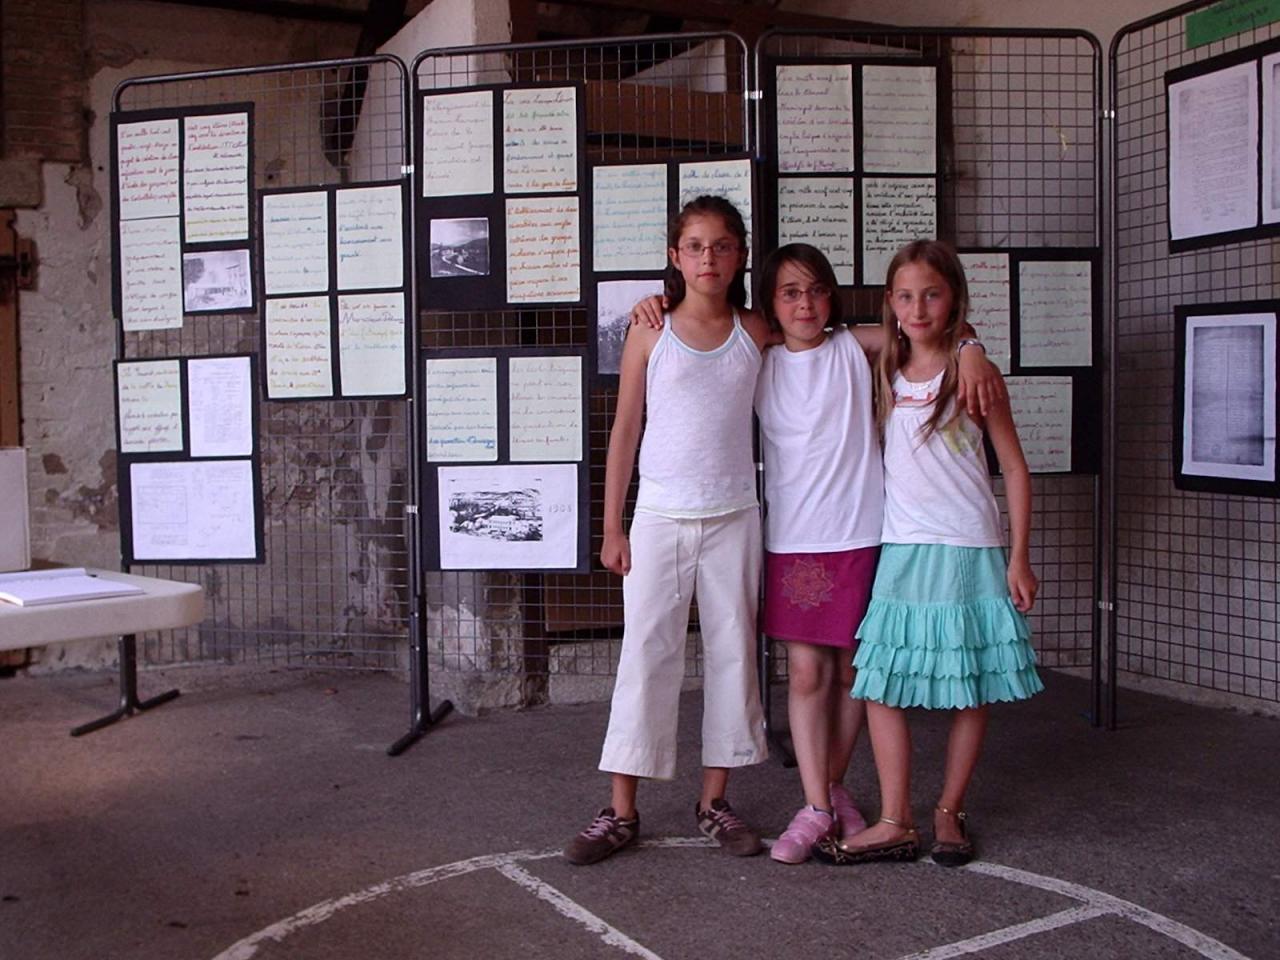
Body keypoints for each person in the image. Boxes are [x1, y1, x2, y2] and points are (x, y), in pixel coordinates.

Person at [630, 243, 1004, 865]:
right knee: (806, 674)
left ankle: (832, 786)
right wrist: (657, 304)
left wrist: (972, 349)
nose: (805, 303)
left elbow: (937, 324)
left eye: (816, 290)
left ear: (832, 297)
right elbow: (707, 327)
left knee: (857, 673)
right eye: (789, 292)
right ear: (771, 306)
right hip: (794, 542)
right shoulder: (760, 354)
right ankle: (817, 804)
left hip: (862, 535)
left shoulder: (856, 349)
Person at [812, 239, 1043, 869]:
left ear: (954, 300)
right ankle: (895, 819)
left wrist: (1019, 557)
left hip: (967, 547)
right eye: (906, 295)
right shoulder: (884, 364)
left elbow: (1016, 470)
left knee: (968, 685)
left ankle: (948, 809)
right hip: (901, 549)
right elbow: (822, 328)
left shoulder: (974, 375)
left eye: (933, 295)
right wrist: (969, 337)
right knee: (879, 681)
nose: (919, 307)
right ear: (890, 301)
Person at [563, 195, 772, 866]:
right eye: (695, 245)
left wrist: (964, 343)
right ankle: (621, 809)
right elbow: (626, 427)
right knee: (646, 656)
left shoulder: (756, 330)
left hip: (734, 514)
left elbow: (839, 342)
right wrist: (611, 525)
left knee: (734, 652)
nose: (709, 257)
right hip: (656, 517)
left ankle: (715, 801)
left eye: (722, 245)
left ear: (739, 255)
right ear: (674, 256)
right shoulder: (650, 330)